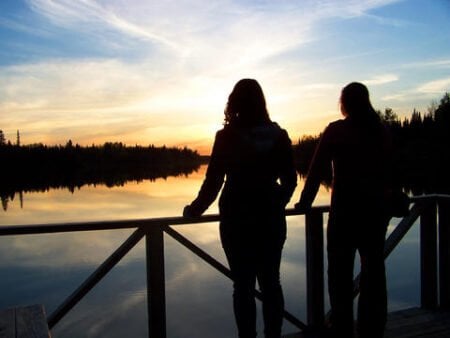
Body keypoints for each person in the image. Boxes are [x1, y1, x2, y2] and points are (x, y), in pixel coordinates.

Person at [183, 78, 297, 338]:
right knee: (271, 283)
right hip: (270, 219)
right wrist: (276, 202)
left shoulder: (226, 137)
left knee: (243, 286)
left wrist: (194, 210)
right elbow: (290, 180)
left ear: (234, 103)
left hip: (236, 220)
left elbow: (213, 182)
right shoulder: (279, 136)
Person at [295, 82, 391, 338]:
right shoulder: (380, 130)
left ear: (344, 103)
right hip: (375, 214)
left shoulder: (336, 130)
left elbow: (315, 172)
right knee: (374, 274)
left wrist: (305, 202)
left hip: (344, 215)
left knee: (339, 278)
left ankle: (342, 329)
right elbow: (391, 172)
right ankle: (372, 330)